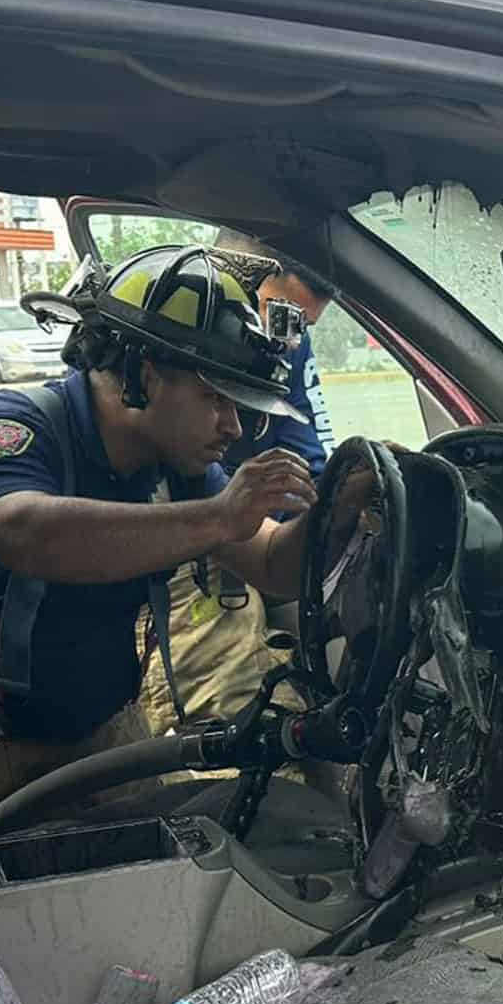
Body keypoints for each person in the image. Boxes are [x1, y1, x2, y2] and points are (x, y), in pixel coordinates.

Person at [0, 244, 318, 821]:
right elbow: (26, 533)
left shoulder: (178, 470)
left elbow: (274, 563)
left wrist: (341, 510)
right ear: (146, 377)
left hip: (101, 739)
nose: (233, 425)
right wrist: (221, 515)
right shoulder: (6, 432)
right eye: (216, 398)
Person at [138, 248, 342, 734]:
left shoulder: (287, 345)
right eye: (281, 313)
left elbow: (305, 446)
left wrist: (339, 496)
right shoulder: (33, 437)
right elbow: (23, 529)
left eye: (303, 324)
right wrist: (223, 515)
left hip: (235, 537)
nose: (288, 335)